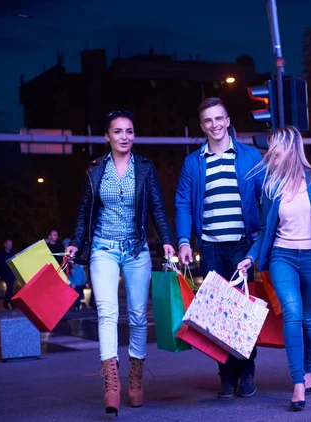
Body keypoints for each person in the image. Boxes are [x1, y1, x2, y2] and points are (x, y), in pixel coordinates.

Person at [65, 110, 175, 416]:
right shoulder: (96, 169)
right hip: (103, 248)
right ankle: (111, 382)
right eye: (117, 131)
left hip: (137, 249)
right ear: (107, 136)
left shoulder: (145, 167)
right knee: (107, 312)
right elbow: (85, 209)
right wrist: (75, 242)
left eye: (129, 131)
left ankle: (136, 378)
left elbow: (157, 207)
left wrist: (166, 238)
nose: (124, 137)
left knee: (139, 316)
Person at [236, 126, 311, 411]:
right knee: (293, 314)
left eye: (276, 147)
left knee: (310, 320)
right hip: (282, 257)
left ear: (291, 147)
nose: (271, 153)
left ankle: (309, 370)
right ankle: (297, 382)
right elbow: (264, 230)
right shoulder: (272, 184)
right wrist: (251, 257)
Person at [175, 97, 264, 398]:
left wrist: (263, 240)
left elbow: (267, 197)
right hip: (210, 246)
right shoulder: (193, 162)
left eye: (219, 119)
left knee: (241, 314)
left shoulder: (251, 156)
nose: (214, 125)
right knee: (215, 316)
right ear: (202, 126)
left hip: (242, 244)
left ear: (227, 121)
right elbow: (183, 203)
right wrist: (184, 240)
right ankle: (226, 376)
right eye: (208, 121)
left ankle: (247, 371)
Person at [0, 239, 16, 310]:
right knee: (10, 288)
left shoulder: (13, 253)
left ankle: (5, 303)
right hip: (5, 274)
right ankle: (12, 303)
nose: (10, 245)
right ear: (5, 245)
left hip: (12, 274)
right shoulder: (0, 254)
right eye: (9, 244)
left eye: (11, 244)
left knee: (9, 289)